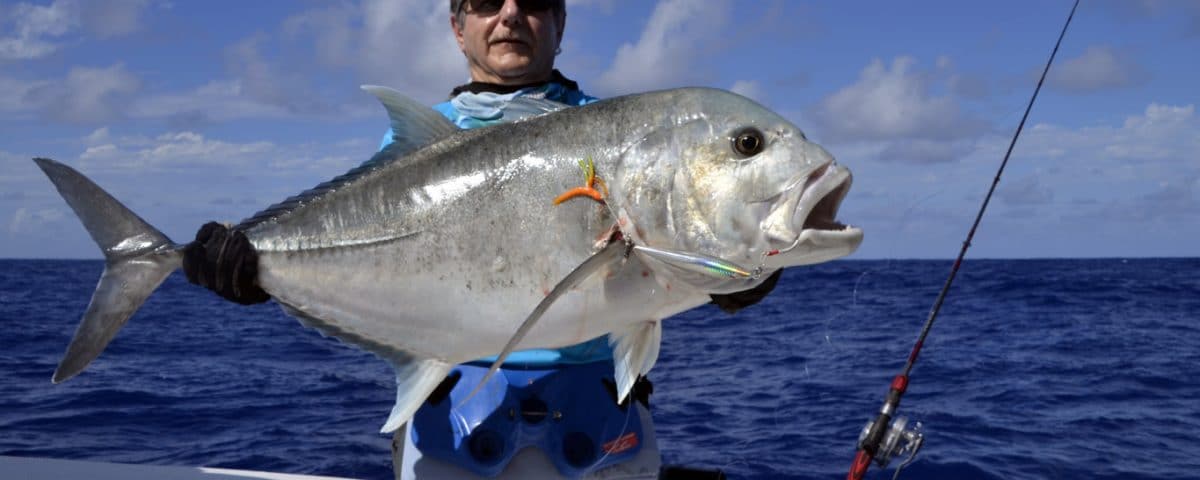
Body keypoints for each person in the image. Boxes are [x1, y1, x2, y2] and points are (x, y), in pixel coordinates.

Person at [180, 0, 774, 477]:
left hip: (601, 441)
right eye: (487, 1)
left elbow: (672, 248)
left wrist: (738, 271)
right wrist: (256, 266)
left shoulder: (626, 138)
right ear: (457, 26)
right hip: (450, 435)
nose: (511, 14)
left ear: (561, 22)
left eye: (535, 1)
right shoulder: (415, 150)